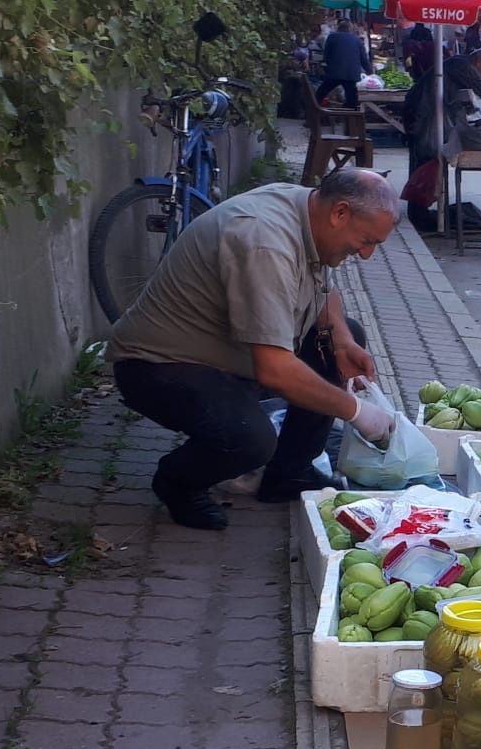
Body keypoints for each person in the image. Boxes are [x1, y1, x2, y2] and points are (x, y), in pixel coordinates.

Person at [106, 170, 400, 528]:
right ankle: (177, 482)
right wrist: (356, 411)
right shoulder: (265, 242)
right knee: (249, 439)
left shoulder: (311, 210)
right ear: (340, 212)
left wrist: (341, 339)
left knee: (337, 335)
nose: (367, 254)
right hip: (159, 365)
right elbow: (275, 371)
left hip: (224, 348)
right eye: (367, 240)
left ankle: (289, 473)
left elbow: (322, 282)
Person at [317, 19, 370, 109]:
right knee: (352, 98)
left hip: (334, 73)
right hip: (351, 74)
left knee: (321, 92)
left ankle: (313, 109)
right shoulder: (357, 40)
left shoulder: (332, 37)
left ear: (338, 28)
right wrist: (370, 72)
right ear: (349, 29)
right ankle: (350, 116)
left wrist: (329, 66)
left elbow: (326, 56)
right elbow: (364, 59)